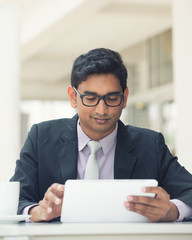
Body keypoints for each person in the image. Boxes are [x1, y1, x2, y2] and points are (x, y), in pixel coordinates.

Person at [11, 48, 192, 223]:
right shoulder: (41, 138)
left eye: (112, 99)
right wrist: (38, 212)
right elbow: (14, 200)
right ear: (73, 97)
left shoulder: (150, 144)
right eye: (90, 99)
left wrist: (171, 210)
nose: (102, 110)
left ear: (125, 97)